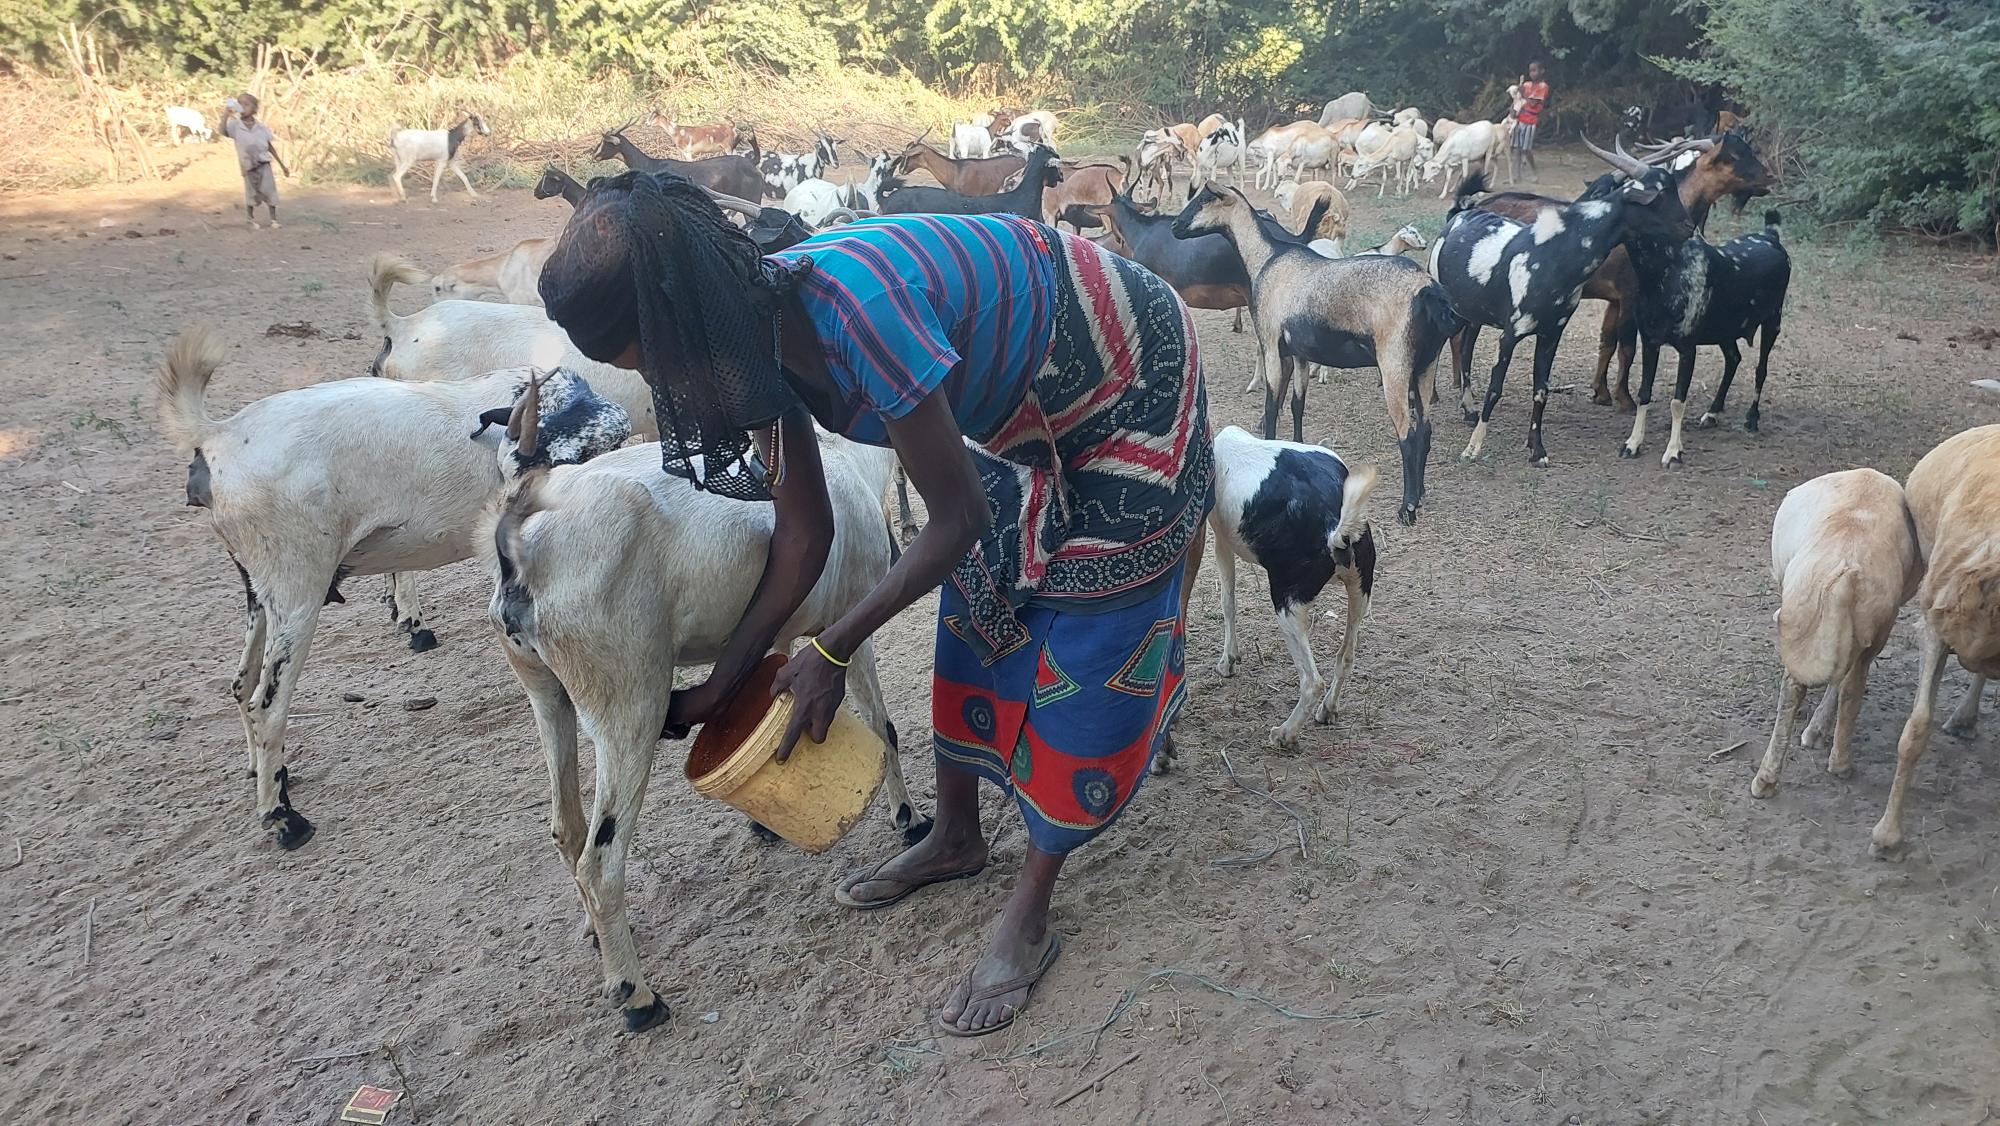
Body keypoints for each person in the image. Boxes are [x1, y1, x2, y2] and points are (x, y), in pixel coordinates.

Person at [537, 173, 1211, 1037]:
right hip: (1021, 405)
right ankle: (957, 838)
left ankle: (1032, 905)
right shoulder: (746, 343)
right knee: (981, 599)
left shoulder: (857, 314)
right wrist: (723, 684)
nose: (663, 383)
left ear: (682, 318)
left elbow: (954, 515)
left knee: (1091, 623)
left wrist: (834, 648)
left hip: (1128, 370)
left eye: (650, 360)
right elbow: (802, 533)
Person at [220, 93, 289, 229]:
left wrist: (282, 165)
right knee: (251, 193)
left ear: (255, 109)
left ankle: (273, 220)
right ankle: (250, 219)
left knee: (270, 191)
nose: (243, 107)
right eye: (240, 104)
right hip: (248, 166)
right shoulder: (235, 125)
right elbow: (223, 131)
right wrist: (225, 115)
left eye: (247, 104)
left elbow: (269, 146)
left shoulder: (262, 128)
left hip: (264, 164)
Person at [1513, 61, 1550, 180]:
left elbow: (1534, 103)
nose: (1532, 73)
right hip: (1520, 118)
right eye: (1530, 71)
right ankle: (1517, 176)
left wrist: (1523, 93)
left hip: (1531, 120)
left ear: (1541, 71)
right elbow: (1516, 100)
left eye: (1534, 70)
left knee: (1526, 149)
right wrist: (1512, 110)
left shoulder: (1543, 87)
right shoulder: (1527, 85)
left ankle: (1535, 172)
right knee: (1517, 148)